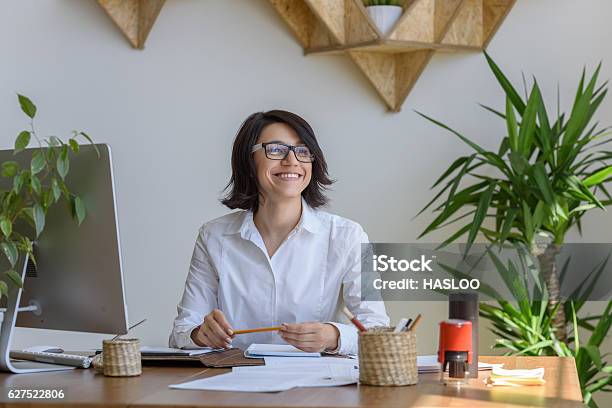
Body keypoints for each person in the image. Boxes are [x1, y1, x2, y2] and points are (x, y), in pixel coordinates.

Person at [169, 110, 388, 355]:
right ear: (249, 161)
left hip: (315, 384)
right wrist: (201, 334)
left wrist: (333, 336)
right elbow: (182, 330)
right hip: (234, 381)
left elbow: (377, 327)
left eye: (302, 151)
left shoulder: (349, 236)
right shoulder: (213, 236)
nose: (292, 161)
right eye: (276, 149)